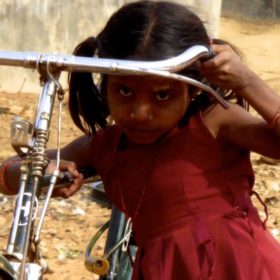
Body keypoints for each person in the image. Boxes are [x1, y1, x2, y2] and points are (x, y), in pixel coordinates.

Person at [1, 1, 280, 279]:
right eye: (124, 91)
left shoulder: (214, 122)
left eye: (162, 95)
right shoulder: (105, 145)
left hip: (241, 267)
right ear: (104, 85)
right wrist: (30, 172)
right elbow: (9, 173)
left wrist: (247, 82)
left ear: (192, 89)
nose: (139, 112)